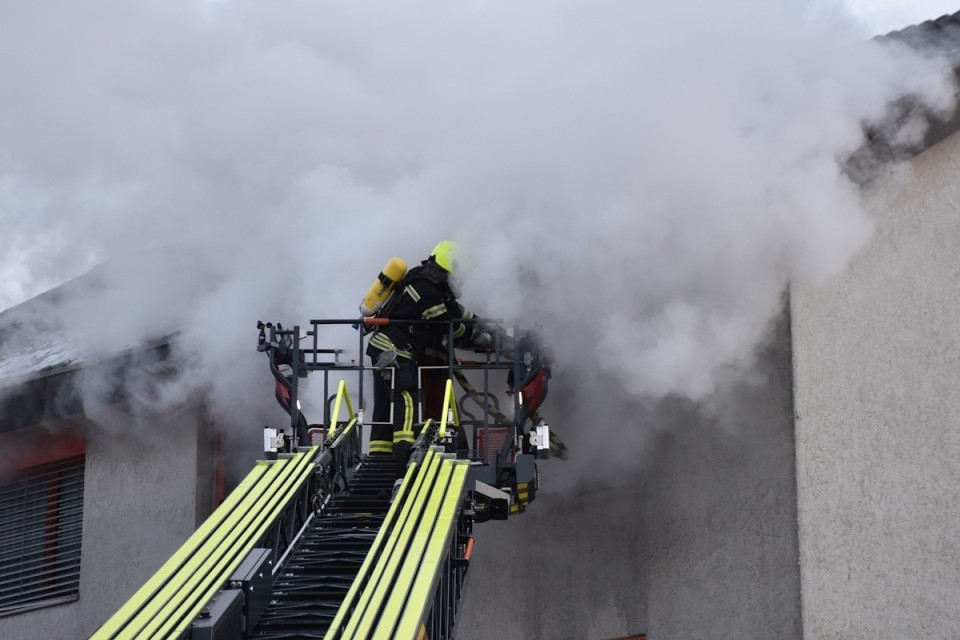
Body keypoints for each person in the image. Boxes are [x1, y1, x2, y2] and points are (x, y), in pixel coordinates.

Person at [365, 240, 491, 482]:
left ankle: (378, 464)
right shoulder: (427, 289)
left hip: (384, 349)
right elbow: (448, 324)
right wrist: (477, 336)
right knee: (408, 400)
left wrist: (484, 326)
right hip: (395, 350)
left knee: (383, 409)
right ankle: (403, 467)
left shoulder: (429, 283)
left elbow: (458, 313)